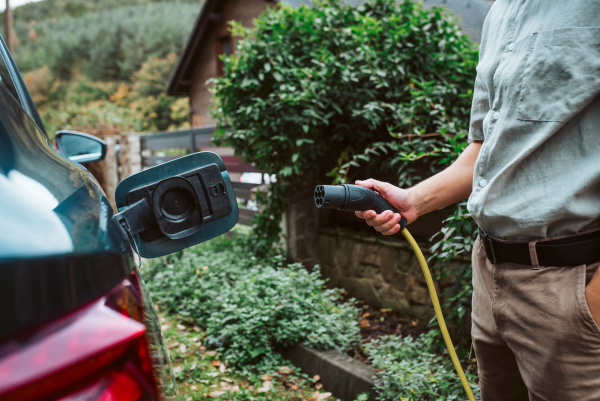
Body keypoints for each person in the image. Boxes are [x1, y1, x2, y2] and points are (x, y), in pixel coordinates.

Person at [354, 2, 600, 400]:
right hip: (491, 278)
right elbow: (486, 149)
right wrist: (413, 199)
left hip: (570, 287)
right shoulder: (500, 12)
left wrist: (592, 299)